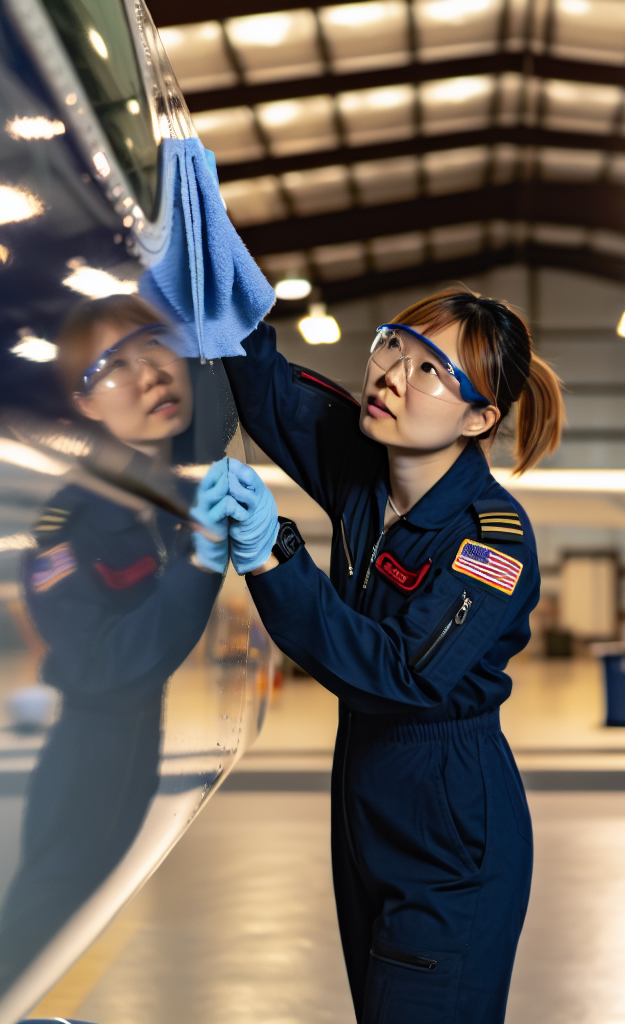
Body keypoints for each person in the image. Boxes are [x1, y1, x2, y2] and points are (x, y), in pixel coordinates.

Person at [205, 289, 564, 1023]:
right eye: (393, 344)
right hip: (368, 803)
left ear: (479, 418)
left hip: (448, 825)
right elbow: (269, 392)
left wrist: (275, 555)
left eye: (432, 370)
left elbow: (403, 672)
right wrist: (225, 298)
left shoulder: (493, 542)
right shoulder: (368, 472)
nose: (394, 373)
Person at [0, 295, 227, 1022]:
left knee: (82, 919)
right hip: (92, 746)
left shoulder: (175, 497)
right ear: (86, 402)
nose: (150, 375)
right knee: (36, 930)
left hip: (143, 739)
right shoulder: (67, 524)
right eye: (118, 366)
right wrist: (204, 557)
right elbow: (109, 663)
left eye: (156, 349)